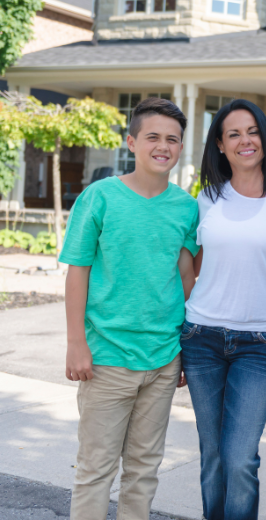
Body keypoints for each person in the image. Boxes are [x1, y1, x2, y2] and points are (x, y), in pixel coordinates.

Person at [62, 97, 199, 520]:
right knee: (95, 469)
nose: (163, 146)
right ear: (131, 142)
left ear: (180, 147)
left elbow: (185, 278)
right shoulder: (99, 197)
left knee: (143, 469)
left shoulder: (186, 207)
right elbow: (78, 271)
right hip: (106, 357)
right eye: (153, 137)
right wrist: (76, 344)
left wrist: (181, 349)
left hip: (161, 360)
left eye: (172, 140)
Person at [180, 99, 266, 520]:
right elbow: (194, 267)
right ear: (220, 144)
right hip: (201, 337)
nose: (244, 140)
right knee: (213, 455)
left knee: (241, 459)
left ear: (265, 137)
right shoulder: (207, 198)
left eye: (252, 131)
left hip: (259, 342)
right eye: (233, 133)